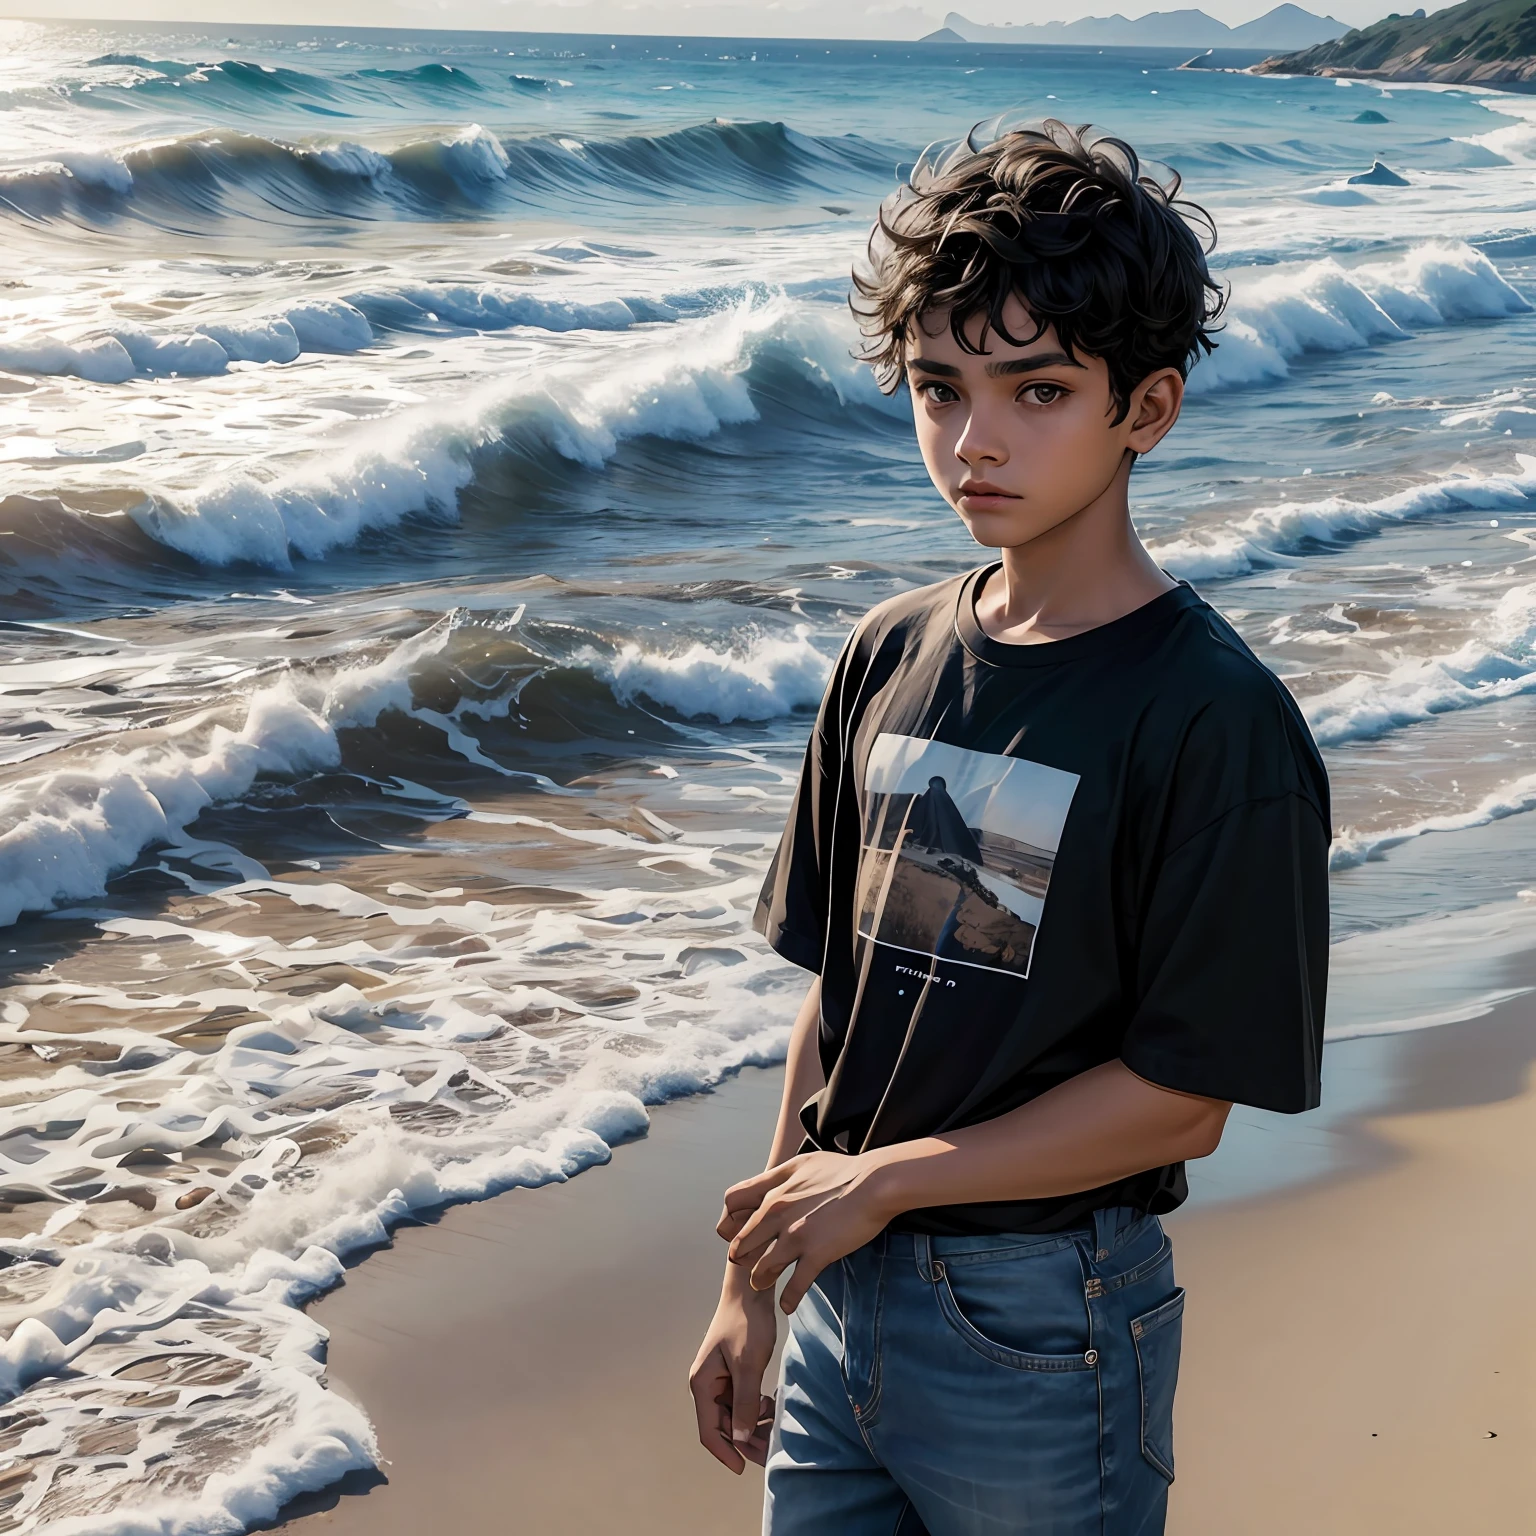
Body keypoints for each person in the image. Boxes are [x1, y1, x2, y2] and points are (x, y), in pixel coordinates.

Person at [688, 117, 1330, 1536]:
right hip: (839, 1287)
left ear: (1145, 409)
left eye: (1037, 388)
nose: (974, 441)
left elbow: (1187, 1096)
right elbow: (842, 1002)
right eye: (938, 387)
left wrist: (889, 1184)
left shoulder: (1212, 720)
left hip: (1043, 1324)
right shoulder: (886, 653)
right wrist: (756, 1274)